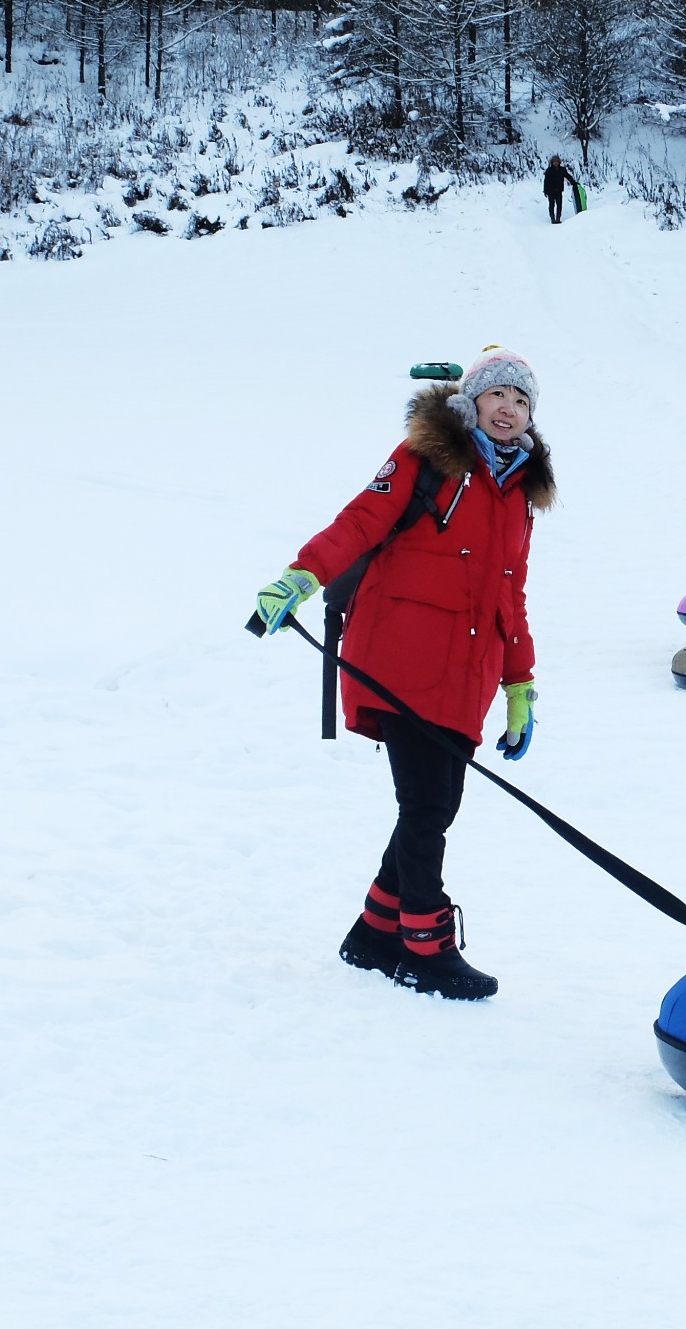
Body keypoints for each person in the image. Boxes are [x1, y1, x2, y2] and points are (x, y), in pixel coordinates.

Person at [253, 347, 555, 1001]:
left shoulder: (519, 493)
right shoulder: (426, 458)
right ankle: (424, 946)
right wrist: (302, 576)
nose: (509, 409)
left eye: (522, 400)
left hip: (465, 673)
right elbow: (362, 520)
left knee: (435, 805)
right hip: (404, 655)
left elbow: (512, 594)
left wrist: (519, 685)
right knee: (425, 807)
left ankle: (372, 933)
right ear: (472, 400)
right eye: (498, 395)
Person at [543, 155, 572, 224]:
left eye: (557, 161)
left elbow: (568, 177)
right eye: (554, 162)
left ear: (559, 162)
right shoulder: (549, 170)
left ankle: (558, 218)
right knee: (551, 204)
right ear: (552, 162)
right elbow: (546, 181)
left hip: (559, 190)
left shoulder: (562, 170)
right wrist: (545, 190)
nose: (555, 163)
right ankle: (552, 218)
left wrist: (574, 183)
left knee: (559, 204)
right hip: (550, 191)